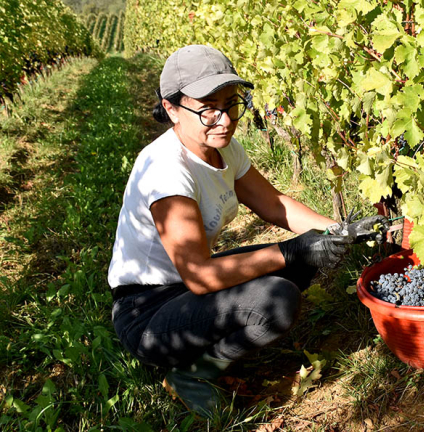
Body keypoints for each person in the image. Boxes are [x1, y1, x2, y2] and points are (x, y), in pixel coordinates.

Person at [107, 45, 388, 416]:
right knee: (277, 298)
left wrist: (339, 230)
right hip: (147, 314)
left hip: (181, 291)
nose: (224, 119)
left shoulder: (223, 147)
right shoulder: (165, 171)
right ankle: (192, 374)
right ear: (172, 108)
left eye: (230, 103)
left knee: (300, 261)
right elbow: (200, 276)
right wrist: (291, 250)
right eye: (207, 108)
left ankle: (212, 347)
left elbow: (274, 204)